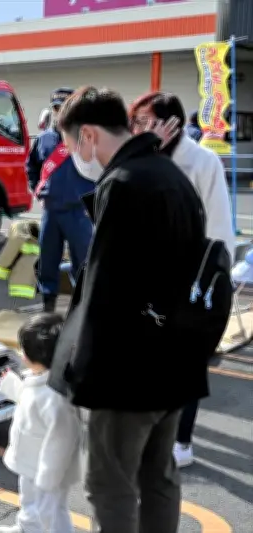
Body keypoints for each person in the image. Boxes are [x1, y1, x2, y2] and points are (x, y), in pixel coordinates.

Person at [48, 86, 232, 533]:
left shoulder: (124, 183)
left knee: (110, 486)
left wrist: (76, 373)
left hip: (127, 373)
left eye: (72, 144)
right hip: (175, 362)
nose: (73, 155)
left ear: (88, 135)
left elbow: (105, 293)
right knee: (159, 477)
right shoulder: (169, 175)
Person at [130, 91, 236, 468]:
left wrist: (212, 277)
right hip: (149, 280)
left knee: (187, 362)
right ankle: (156, 436)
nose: (140, 128)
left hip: (190, 277)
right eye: (137, 121)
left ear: (171, 123)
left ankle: (182, 442)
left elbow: (220, 226)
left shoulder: (202, 162)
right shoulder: (140, 159)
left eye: (147, 121)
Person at [0, 313, 82, 533]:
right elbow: (29, 400)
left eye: (23, 349)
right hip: (31, 463)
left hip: (47, 471)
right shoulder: (42, 379)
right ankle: (26, 528)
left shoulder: (55, 396)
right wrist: (11, 385)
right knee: (30, 502)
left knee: (51, 512)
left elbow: (62, 439)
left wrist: (49, 477)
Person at [25, 87, 95, 312]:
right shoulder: (44, 139)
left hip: (78, 212)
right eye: (56, 107)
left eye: (64, 107)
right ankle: (48, 310)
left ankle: (83, 313)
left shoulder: (87, 138)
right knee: (48, 262)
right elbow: (32, 166)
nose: (59, 112)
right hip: (51, 212)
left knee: (83, 265)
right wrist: (37, 188)